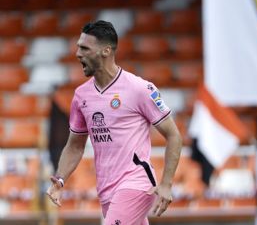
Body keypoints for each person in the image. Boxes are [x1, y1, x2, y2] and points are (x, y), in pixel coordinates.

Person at [46, 20, 182, 225]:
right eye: (77, 48)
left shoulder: (139, 89)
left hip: (137, 183)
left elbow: (174, 135)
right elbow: (75, 146)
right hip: (107, 190)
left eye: (84, 48)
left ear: (106, 51)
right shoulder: (81, 96)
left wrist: (166, 184)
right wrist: (60, 180)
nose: (78, 54)